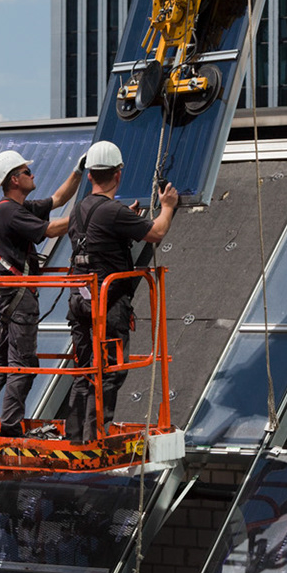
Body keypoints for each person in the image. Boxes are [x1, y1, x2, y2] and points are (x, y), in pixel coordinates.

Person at [66, 140, 179, 442]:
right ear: (118, 174)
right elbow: (156, 231)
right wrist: (167, 206)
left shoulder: (79, 210)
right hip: (107, 303)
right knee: (109, 371)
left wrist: (124, 217)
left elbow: (98, 232)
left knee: (84, 368)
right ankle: (96, 436)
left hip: (79, 300)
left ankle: (75, 435)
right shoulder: (113, 212)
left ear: (90, 175)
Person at [0, 148, 84, 433]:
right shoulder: (9, 211)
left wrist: (77, 172)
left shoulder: (16, 208)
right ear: (14, 180)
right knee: (24, 363)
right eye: (27, 172)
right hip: (18, 298)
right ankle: (11, 426)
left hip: (9, 297)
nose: (32, 174)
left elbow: (58, 199)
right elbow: (52, 230)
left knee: (2, 360)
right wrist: (89, 215)